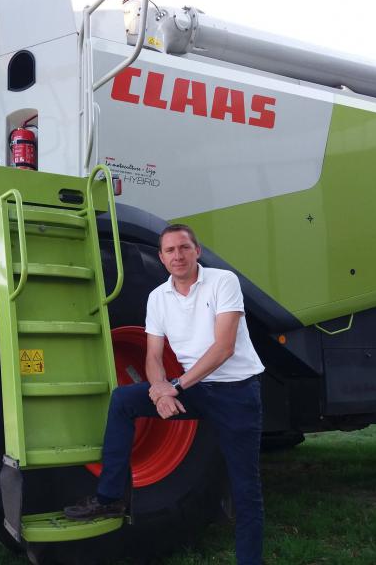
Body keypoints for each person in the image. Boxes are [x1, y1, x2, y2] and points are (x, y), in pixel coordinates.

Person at [64, 223, 265, 565]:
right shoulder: (158, 297)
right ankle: (111, 496)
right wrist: (159, 391)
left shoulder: (222, 282)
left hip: (236, 394)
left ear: (197, 251)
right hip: (192, 388)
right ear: (161, 257)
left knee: (245, 489)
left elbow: (224, 348)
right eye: (170, 250)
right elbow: (153, 356)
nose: (178, 256)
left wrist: (175, 387)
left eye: (184, 248)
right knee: (124, 401)